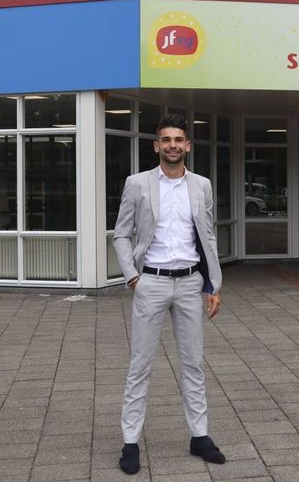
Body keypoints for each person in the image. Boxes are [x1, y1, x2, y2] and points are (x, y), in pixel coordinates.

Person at [114, 114, 225, 475]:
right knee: (140, 365)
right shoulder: (138, 184)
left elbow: (207, 236)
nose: (173, 145)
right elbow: (121, 234)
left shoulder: (202, 185)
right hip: (152, 283)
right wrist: (133, 277)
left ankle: (200, 436)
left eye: (179, 139)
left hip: (191, 283)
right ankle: (130, 442)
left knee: (193, 364)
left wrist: (213, 284)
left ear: (188, 146)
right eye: (167, 140)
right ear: (156, 146)